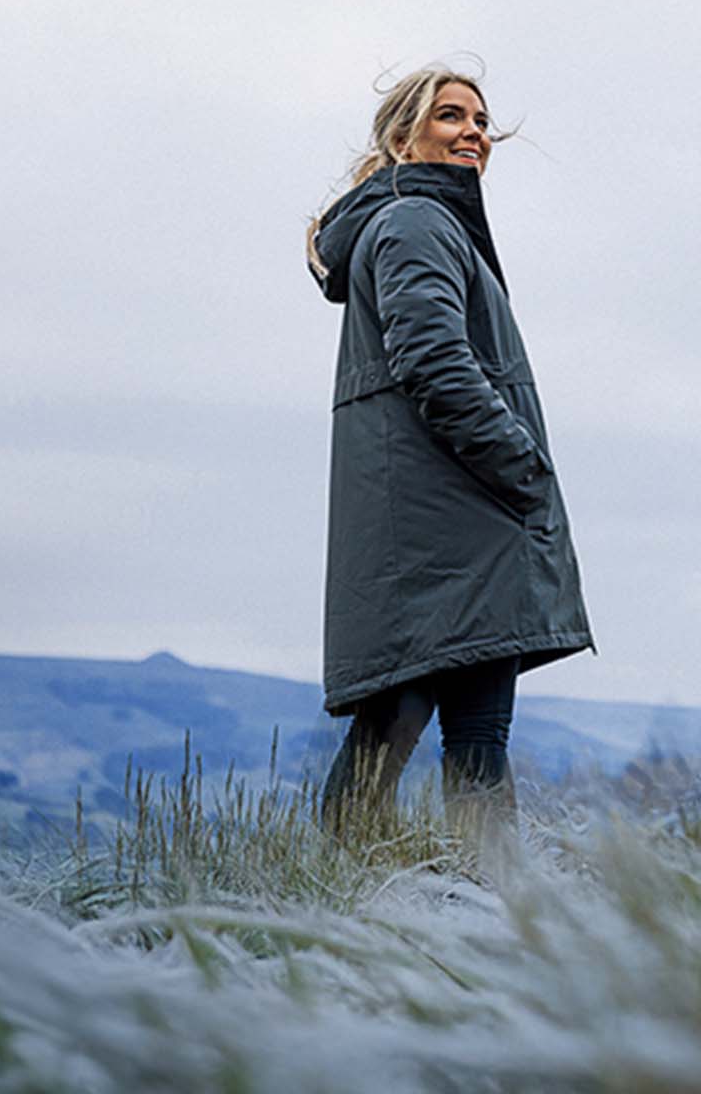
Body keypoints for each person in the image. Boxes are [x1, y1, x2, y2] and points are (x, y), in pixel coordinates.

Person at [302, 63, 593, 844]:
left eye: (480, 120)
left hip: (454, 529)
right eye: (450, 117)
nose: (474, 132)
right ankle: (425, 914)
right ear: (403, 138)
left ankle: (471, 922)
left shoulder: (419, 223)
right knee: (413, 747)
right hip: (456, 527)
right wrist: (522, 468)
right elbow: (432, 363)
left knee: (454, 747)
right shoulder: (416, 223)